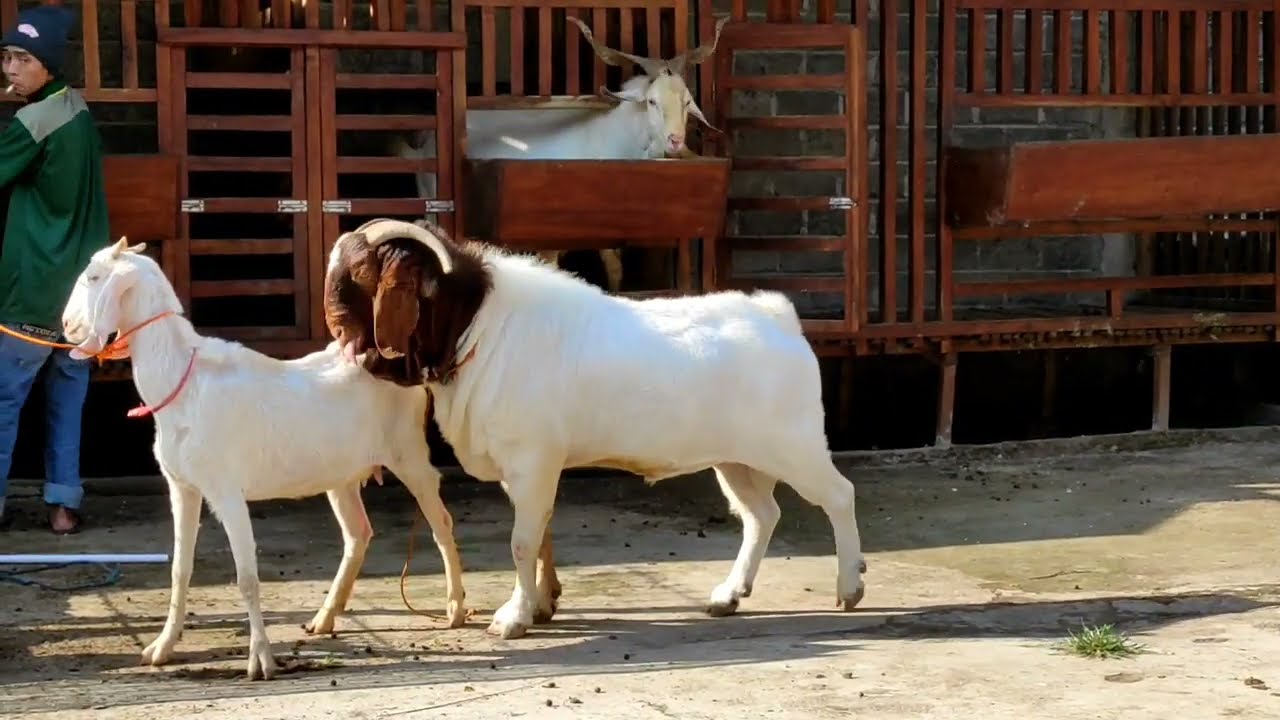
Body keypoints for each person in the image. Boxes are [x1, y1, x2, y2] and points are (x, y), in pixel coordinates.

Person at [0, 5, 110, 534]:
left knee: (4, 400)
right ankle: (64, 506)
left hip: (35, 288)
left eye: (23, 58)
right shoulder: (79, 111)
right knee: (68, 400)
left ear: (49, 65)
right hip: (82, 293)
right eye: (6, 58)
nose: (11, 69)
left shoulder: (34, 121)